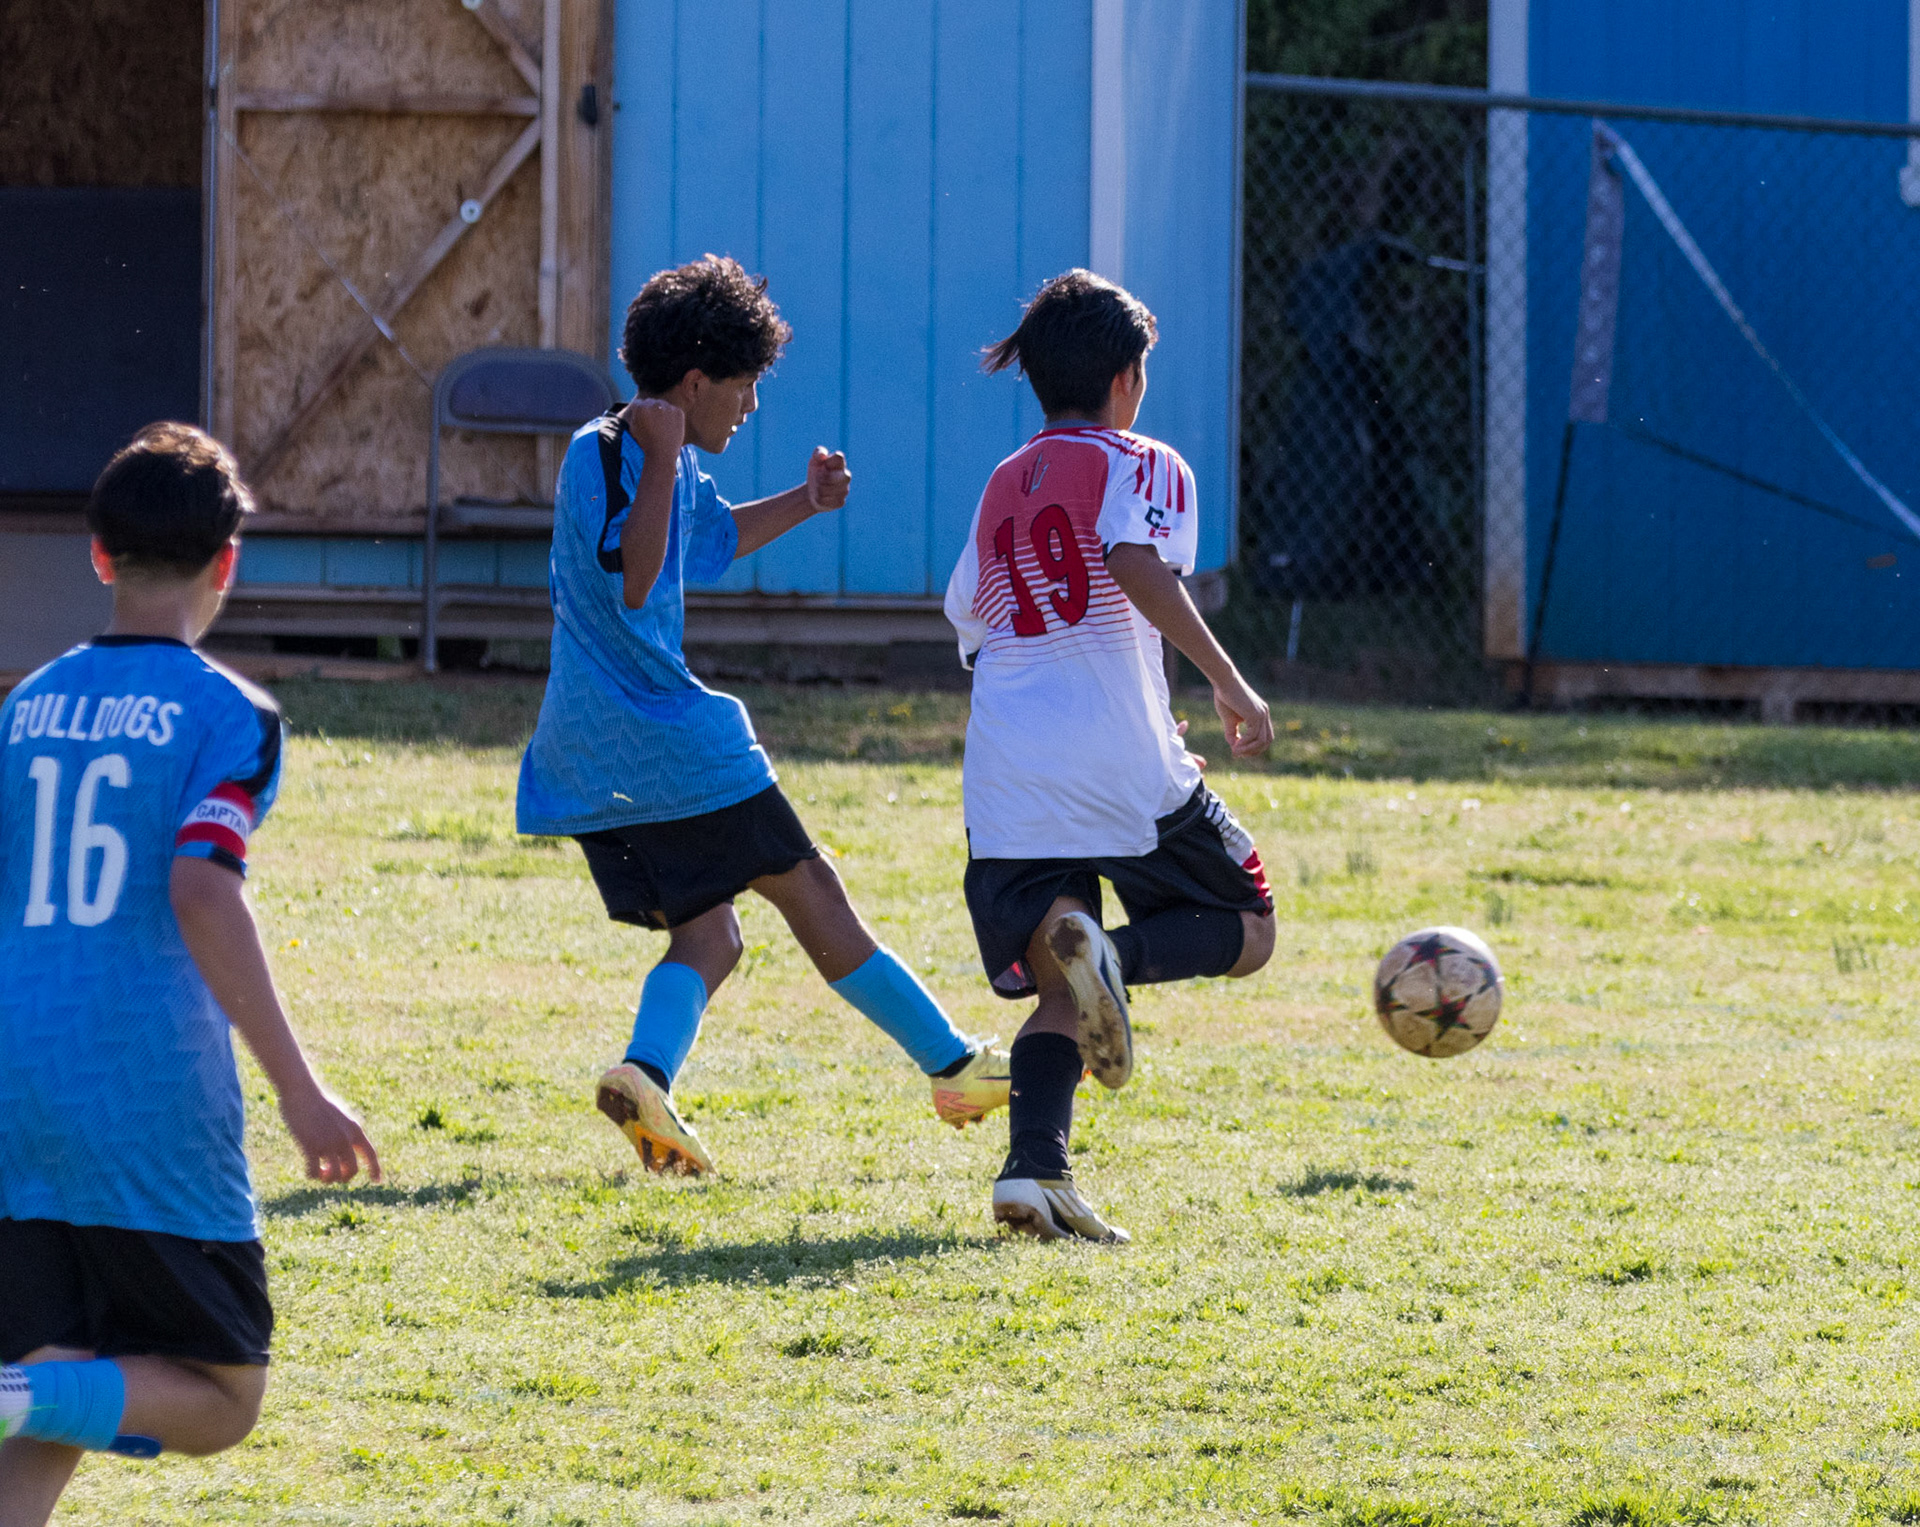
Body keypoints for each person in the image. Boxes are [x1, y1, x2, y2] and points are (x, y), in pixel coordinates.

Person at [517, 255, 1008, 1177]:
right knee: (812, 889)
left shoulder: (663, 459)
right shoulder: (607, 452)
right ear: (694, 381)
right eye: (743, 385)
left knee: (712, 935)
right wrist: (663, 459)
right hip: (663, 741)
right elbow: (636, 579)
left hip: (598, 761)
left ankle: (642, 1076)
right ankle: (954, 1067)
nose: (751, 405)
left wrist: (806, 502)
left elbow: (710, 540)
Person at [0, 424, 381, 1526]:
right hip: (140, 1090)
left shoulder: (23, 708)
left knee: (60, 1372)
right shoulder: (229, 712)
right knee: (221, 1395)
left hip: (17, 1079)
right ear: (227, 562)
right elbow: (203, 888)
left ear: (98, 555)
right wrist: (300, 1090)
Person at [945, 270, 1278, 1244]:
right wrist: (1228, 682)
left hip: (1007, 775)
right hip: (1121, 767)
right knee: (1250, 927)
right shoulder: (1146, 461)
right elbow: (1132, 562)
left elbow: (972, 621)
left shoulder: (1002, 484)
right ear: (1128, 376)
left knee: (1062, 981)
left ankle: (1033, 1173)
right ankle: (1117, 961)